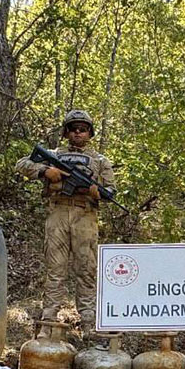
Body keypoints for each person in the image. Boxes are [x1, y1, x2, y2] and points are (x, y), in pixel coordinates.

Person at [15, 109, 116, 330]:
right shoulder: (54, 154)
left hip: (85, 217)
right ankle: (49, 320)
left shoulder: (100, 161)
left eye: (83, 129)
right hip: (58, 213)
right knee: (55, 268)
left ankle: (88, 320)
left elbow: (110, 190)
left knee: (86, 268)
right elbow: (22, 164)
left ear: (90, 133)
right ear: (66, 132)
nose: (78, 133)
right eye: (73, 129)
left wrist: (98, 193)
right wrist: (45, 171)